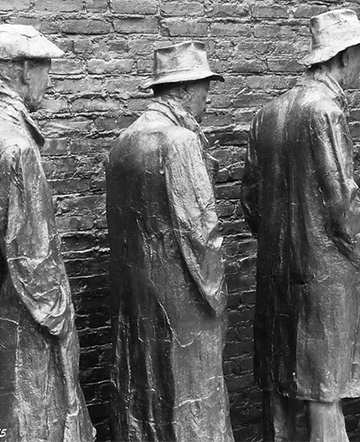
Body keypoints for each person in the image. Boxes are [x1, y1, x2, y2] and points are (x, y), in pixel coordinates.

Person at [241, 8, 360, 442]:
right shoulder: (325, 111)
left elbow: (250, 200)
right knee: (323, 382)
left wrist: (278, 243)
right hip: (326, 273)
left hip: (278, 269)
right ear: (342, 57)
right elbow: (342, 201)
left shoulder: (267, 113)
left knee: (280, 376)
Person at [0, 24, 95, 442]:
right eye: (46, 68)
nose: (48, 81)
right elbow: (34, 263)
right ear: (25, 71)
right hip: (19, 331)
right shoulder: (15, 147)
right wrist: (62, 326)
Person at [107, 41, 234, 442]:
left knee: (148, 392)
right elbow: (201, 232)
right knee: (191, 399)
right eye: (204, 89)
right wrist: (217, 297)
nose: (206, 100)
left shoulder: (124, 141)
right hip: (184, 301)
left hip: (138, 298)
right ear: (185, 90)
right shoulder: (179, 141)